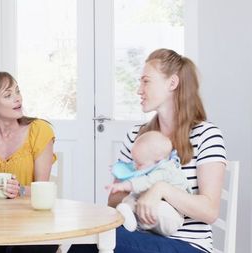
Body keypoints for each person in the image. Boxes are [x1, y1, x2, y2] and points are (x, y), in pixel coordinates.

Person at [69, 49, 227, 253]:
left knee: (94, 241)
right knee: (90, 237)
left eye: (146, 81)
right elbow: (113, 200)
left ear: (172, 83)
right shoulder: (137, 136)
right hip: (139, 236)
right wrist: (136, 193)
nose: (139, 90)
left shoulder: (206, 134)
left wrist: (160, 188)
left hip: (188, 244)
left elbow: (209, 211)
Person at [0, 72, 58, 253]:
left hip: (32, 221)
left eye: (17, 91)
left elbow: (41, 189)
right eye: (8, 95)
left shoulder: (40, 130)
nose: (17, 98)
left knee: (26, 249)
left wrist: (19, 190)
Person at [107, 131, 190, 236]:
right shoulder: (148, 164)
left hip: (172, 216)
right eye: (134, 162)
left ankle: (140, 222)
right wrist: (120, 170)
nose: (136, 167)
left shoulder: (165, 170)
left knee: (160, 207)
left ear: (158, 161)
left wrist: (124, 186)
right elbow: (133, 172)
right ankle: (128, 215)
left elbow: (146, 182)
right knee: (131, 198)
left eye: (139, 164)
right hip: (146, 209)